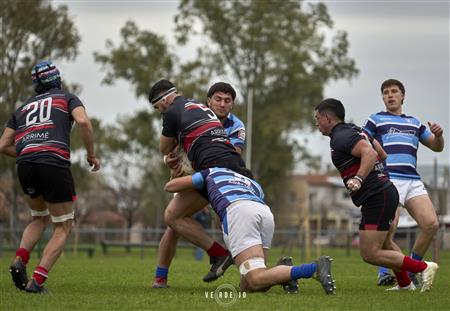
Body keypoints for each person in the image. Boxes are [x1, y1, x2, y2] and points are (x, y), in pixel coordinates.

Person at [314, 98, 438, 292]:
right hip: (383, 192)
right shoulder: (354, 129)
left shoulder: (341, 136)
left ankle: (423, 268)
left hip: (377, 196)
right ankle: (405, 284)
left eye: (318, 118)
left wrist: (359, 179)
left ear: (328, 118)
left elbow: (371, 155)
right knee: (386, 243)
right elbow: (382, 153)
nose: (316, 122)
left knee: (370, 254)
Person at [0, 60, 100, 293]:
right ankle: (37, 281)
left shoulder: (22, 109)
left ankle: (19, 260)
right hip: (53, 162)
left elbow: (3, 145)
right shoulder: (67, 98)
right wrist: (91, 155)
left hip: (25, 165)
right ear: (57, 79)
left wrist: (27, 150)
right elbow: (84, 121)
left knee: (38, 218)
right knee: (63, 225)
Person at [164, 167, 336, 294]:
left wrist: (175, 171)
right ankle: (286, 273)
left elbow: (171, 187)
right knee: (249, 285)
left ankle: (313, 269)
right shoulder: (254, 184)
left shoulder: (213, 172)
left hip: (239, 212)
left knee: (255, 279)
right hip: (264, 213)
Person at [148, 79, 251, 288]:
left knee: (231, 227)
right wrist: (171, 160)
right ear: (208, 102)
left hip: (215, 173)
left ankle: (251, 271)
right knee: (174, 222)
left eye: (227, 100)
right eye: (218, 99)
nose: (222, 104)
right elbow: (172, 153)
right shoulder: (199, 111)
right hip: (203, 173)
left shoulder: (236, 125)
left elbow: (165, 146)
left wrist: (174, 158)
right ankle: (161, 277)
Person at [363, 79, 444, 287]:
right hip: (390, 179)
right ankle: (384, 272)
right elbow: (362, 141)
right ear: (383, 97)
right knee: (389, 228)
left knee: (431, 224)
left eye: (394, 92)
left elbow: (437, 147)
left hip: (413, 180)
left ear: (402, 96)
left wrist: (439, 135)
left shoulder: (415, 123)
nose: (390, 95)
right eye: (386, 92)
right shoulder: (375, 120)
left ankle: (413, 268)